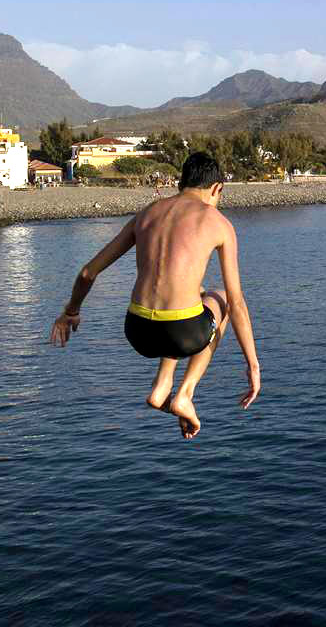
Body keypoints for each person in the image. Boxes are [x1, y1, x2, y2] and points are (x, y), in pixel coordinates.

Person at [49, 152, 260, 439]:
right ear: (216, 189)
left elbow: (88, 272)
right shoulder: (217, 221)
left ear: (181, 183)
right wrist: (252, 365)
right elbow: (236, 303)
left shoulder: (147, 213)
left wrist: (70, 312)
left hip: (137, 331)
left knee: (194, 294)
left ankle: (161, 386)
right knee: (220, 295)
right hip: (183, 333)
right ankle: (185, 393)